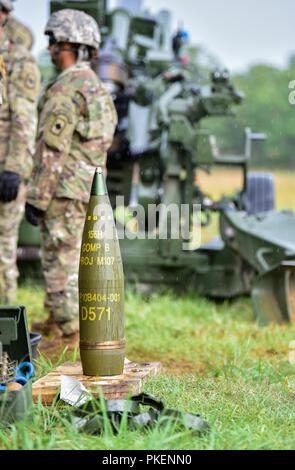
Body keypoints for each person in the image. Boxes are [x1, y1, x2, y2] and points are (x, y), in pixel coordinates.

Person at [26, 9, 117, 339]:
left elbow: (53, 149)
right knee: (73, 257)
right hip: (89, 188)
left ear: (68, 45)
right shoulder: (97, 88)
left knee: (58, 260)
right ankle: (56, 319)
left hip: (63, 189)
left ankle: (68, 332)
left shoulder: (66, 89)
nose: (49, 48)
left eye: (53, 41)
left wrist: (37, 198)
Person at [0, 0, 40, 304]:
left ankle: (4, 329)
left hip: (3, 171)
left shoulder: (18, 61)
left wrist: (14, 169)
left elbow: (24, 120)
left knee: (2, 251)